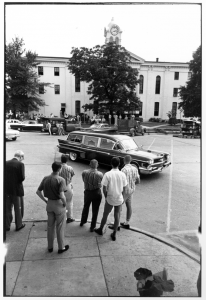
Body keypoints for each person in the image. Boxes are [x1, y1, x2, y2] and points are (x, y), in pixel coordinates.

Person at [36, 162, 69, 254]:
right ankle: (61, 247)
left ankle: (50, 247)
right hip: (58, 205)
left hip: (49, 204)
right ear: (59, 169)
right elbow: (62, 195)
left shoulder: (45, 178)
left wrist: (45, 201)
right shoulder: (61, 179)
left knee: (50, 227)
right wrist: (65, 203)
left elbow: (38, 192)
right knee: (60, 227)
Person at [95, 157, 127, 241]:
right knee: (117, 216)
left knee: (105, 214)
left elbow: (104, 188)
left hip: (110, 198)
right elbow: (125, 188)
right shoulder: (122, 174)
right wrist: (122, 198)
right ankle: (114, 233)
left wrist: (106, 196)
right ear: (119, 164)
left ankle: (100, 229)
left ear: (111, 164)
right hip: (119, 198)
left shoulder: (108, 174)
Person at [80, 159, 103, 232]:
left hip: (87, 192)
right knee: (95, 210)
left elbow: (84, 180)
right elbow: (101, 184)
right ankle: (92, 226)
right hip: (96, 192)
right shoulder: (100, 174)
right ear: (97, 165)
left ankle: (83, 221)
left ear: (90, 164)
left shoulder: (84, 172)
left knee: (86, 207)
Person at [5, 150, 26, 231]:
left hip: (6, 190)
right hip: (17, 190)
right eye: (22, 158)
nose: (22, 159)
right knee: (18, 208)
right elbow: (22, 178)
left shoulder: (5, 163)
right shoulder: (20, 164)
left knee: (7, 208)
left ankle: (7, 225)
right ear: (20, 157)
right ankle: (19, 225)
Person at [119, 155, 140, 229]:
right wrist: (132, 185)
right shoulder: (135, 169)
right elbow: (138, 181)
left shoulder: (123, 170)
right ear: (130, 161)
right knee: (129, 206)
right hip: (131, 190)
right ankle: (127, 222)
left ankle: (117, 224)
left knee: (119, 206)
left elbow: (121, 182)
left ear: (124, 160)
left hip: (124, 191)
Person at [59, 155, 75, 223]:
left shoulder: (58, 168)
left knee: (60, 202)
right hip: (68, 186)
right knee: (69, 202)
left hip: (59, 187)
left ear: (61, 160)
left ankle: (60, 217)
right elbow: (72, 175)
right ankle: (69, 217)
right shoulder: (70, 168)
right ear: (67, 160)